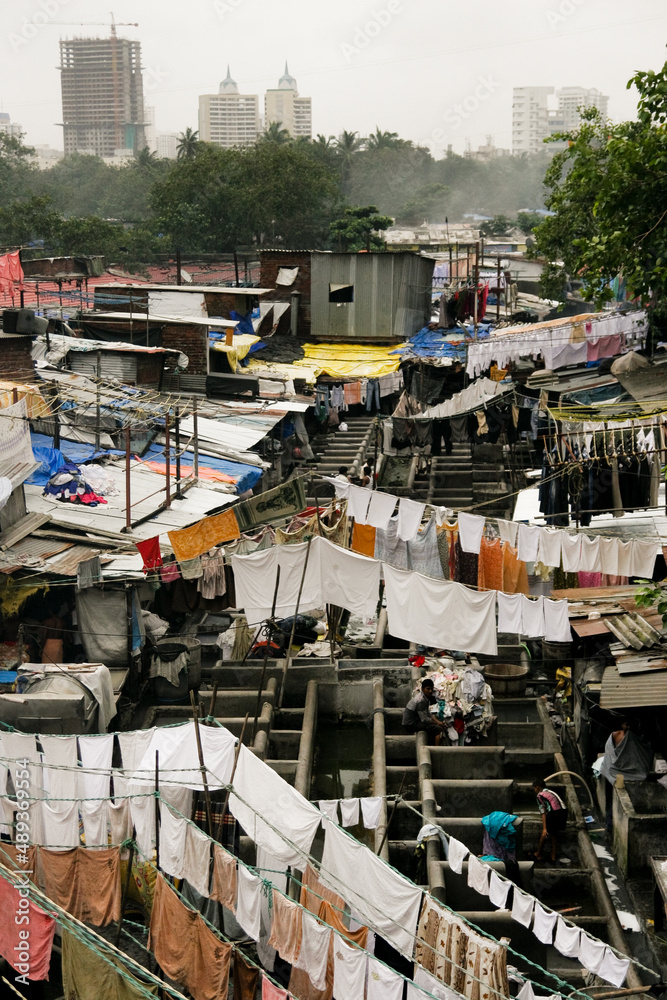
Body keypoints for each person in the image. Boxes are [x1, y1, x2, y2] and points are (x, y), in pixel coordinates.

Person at [402, 679, 447, 745]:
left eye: (431, 689)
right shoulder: (421, 700)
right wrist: (436, 723)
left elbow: (428, 713)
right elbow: (424, 719)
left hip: (415, 721)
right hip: (410, 724)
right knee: (438, 729)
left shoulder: (425, 697)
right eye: (428, 689)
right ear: (422, 689)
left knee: (435, 724)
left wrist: (438, 722)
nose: (430, 691)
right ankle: (436, 749)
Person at [532, 780, 568, 862]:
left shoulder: (539, 796)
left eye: (534, 789)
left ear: (537, 788)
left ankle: (538, 853)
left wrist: (544, 828)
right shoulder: (550, 792)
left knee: (545, 833)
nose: (534, 791)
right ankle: (553, 856)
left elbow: (543, 812)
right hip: (563, 812)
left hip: (554, 813)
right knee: (554, 834)